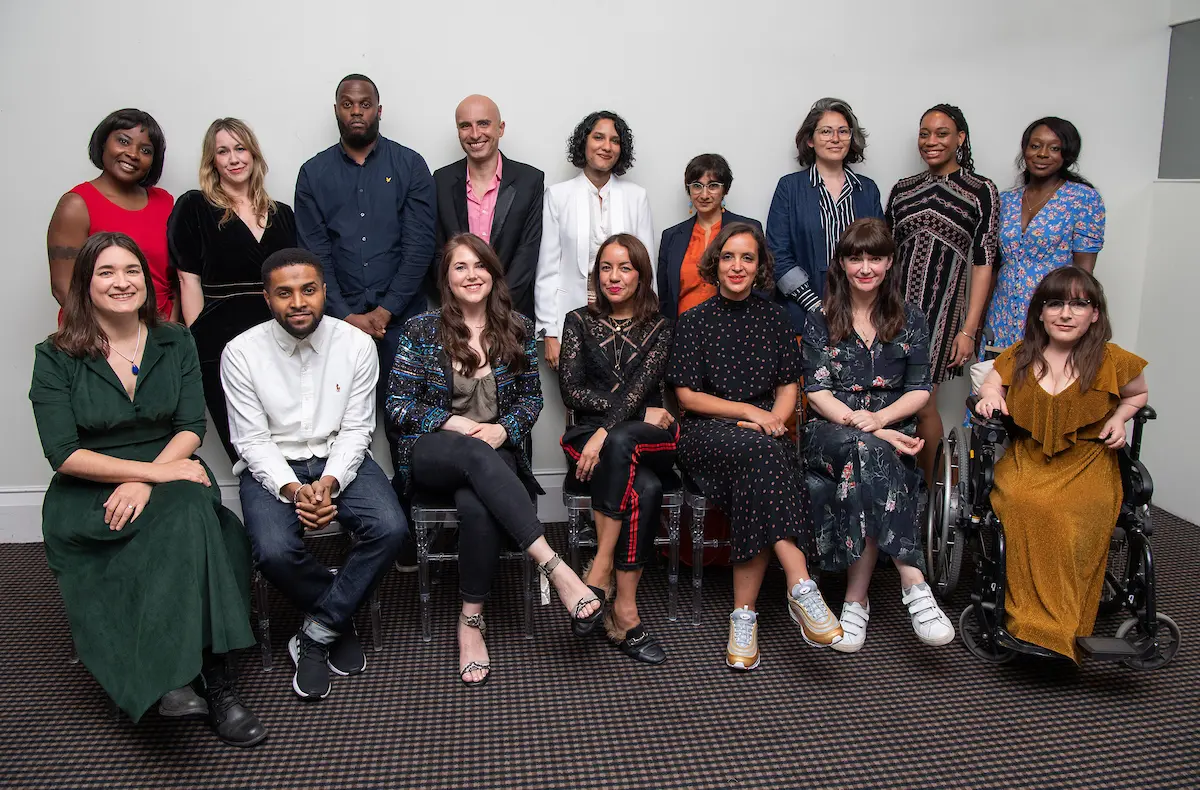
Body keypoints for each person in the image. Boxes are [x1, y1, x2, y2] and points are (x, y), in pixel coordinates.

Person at [28, 232, 265, 746]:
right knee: (206, 526)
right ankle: (210, 679)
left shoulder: (175, 339)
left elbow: (189, 427)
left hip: (170, 462)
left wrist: (151, 474)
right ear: (85, 285)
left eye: (131, 270)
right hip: (91, 491)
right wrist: (144, 478)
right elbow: (63, 453)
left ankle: (188, 678)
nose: (122, 282)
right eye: (106, 273)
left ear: (146, 278)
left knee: (190, 516)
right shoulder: (55, 356)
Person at [387, 233, 602, 686]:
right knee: (472, 456)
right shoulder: (421, 330)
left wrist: (504, 429)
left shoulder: (516, 327)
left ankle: (469, 623)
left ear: (493, 273)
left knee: (477, 505)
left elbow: (531, 400)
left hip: (495, 451)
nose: (471, 275)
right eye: (460, 267)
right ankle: (555, 566)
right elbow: (399, 404)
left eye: (479, 265)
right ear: (447, 278)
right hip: (433, 452)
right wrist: (457, 424)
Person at [221, 247, 408, 701]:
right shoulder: (241, 352)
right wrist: (291, 487)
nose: (299, 302)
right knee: (273, 549)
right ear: (267, 298)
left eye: (308, 290)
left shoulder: (357, 345)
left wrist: (329, 483)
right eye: (284, 294)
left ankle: (317, 630)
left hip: (338, 459)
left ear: (325, 291)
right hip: (273, 465)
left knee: (391, 527)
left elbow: (358, 429)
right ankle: (336, 614)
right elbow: (251, 441)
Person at [667, 222, 843, 670]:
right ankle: (800, 584)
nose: (737, 266)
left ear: (760, 265)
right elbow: (688, 397)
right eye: (729, 257)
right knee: (766, 460)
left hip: (766, 434)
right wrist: (750, 415)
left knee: (760, 470)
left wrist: (775, 420)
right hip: (708, 433)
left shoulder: (777, 319)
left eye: (748, 258)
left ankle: (743, 617)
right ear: (716, 263)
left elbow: (788, 388)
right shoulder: (693, 322)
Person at [974, 267, 1147, 662]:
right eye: (1055, 303)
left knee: (1068, 517)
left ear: (1095, 314)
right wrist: (989, 396)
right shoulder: (1022, 355)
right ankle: (1025, 623)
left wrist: (1120, 418)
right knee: (1019, 503)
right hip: (1029, 457)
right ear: (1040, 312)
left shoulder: (1113, 360)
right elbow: (991, 381)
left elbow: (1138, 396)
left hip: (1088, 461)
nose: (1065, 313)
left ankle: (1060, 630)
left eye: (1078, 304)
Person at [802, 219, 955, 653]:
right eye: (855, 258)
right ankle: (913, 579)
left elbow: (920, 389)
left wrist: (882, 422)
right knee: (866, 448)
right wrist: (866, 423)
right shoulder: (821, 318)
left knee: (865, 460)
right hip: (830, 431)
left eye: (874, 258)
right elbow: (816, 391)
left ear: (889, 263)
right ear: (843, 264)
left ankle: (855, 601)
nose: (865, 267)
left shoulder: (912, 320)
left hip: (888, 432)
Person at [293, 73, 437, 469]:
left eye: (365, 103)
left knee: (407, 420)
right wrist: (347, 315)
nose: (357, 111)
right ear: (336, 109)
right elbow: (314, 253)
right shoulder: (313, 173)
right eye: (347, 103)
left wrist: (386, 310)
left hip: (404, 320)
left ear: (379, 109)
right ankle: (356, 513)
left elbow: (420, 246)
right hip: (337, 322)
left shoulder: (409, 165)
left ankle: (410, 515)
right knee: (341, 423)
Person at [559, 234, 677, 664]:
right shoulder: (577, 320)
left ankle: (599, 570)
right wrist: (619, 424)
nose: (614, 276)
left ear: (641, 275)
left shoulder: (660, 326)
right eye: (606, 267)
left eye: (625, 267)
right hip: (596, 438)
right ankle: (626, 613)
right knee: (642, 488)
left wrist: (609, 430)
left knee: (625, 437)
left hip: (650, 438)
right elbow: (571, 391)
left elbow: (642, 390)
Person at [168, 118, 297, 462]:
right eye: (222, 151)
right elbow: (188, 279)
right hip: (219, 336)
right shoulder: (194, 206)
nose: (233, 158)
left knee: (288, 437)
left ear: (253, 155)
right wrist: (199, 339)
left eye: (240, 148)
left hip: (280, 336)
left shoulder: (282, 214)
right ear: (212, 161)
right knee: (245, 445)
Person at [886, 103, 999, 477]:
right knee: (886, 398)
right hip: (892, 312)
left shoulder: (980, 190)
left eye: (942, 133)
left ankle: (931, 497)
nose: (931, 141)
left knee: (921, 403)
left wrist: (969, 329)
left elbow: (984, 260)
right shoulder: (902, 190)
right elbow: (883, 256)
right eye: (924, 134)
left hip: (942, 315)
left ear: (960, 139)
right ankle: (893, 485)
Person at [535, 110, 654, 370]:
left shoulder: (637, 197)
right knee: (577, 397)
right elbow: (548, 268)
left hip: (628, 316)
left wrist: (646, 326)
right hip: (572, 315)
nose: (606, 146)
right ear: (584, 142)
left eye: (615, 140)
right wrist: (550, 332)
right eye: (598, 137)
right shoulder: (558, 195)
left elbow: (646, 269)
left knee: (625, 394)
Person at [982, 117, 1106, 351]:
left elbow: (1083, 275)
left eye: (1054, 148)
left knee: (1044, 383)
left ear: (1066, 155)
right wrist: (979, 319)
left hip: (1053, 313)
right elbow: (994, 266)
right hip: (1002, 313)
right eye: (1035, 146)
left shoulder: (1083, 199)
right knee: (993, 384)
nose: (1042, 154)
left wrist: (1073, 322)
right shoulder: (1005, 200)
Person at [767, 98, 884, 335]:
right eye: (826, 132)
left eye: (843, 131)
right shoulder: (789, 188)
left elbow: (880, 251)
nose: (835, 138)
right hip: (802, 315)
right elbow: (777, 253)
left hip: (862, 314)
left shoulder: (867, 190)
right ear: (810, 140)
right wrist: (816, 306)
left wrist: (859, 308)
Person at [47, 109, 176, 320]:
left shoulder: (165, 202)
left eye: (145, 150)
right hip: (99, 336)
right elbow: (64, 288)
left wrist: (173, 330)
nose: (133, 154)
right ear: (103, 143)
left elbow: (175, 281)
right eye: (123, 141)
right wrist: (118, 336)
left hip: (162, 332)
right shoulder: (76, 205)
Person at [432, 94, 545, 318]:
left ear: (500, 128)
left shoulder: (530, 180)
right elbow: (437, 252)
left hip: (512, 315)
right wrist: (462, 305)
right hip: (456, 316)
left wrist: (496, 309)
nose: (475, 134)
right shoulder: (441, 181)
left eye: (483, 123)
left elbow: (527, 253)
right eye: (465, 126)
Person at [657, 154, 760, 320]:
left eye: (713, 186)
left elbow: (762, 284)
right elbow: (665, 297)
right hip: (683, 330)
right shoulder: (671, 236)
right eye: (697, 186)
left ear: (725, 189)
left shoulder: (748, 229)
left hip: (737, 327)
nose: (704, 195)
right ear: (689, 189)